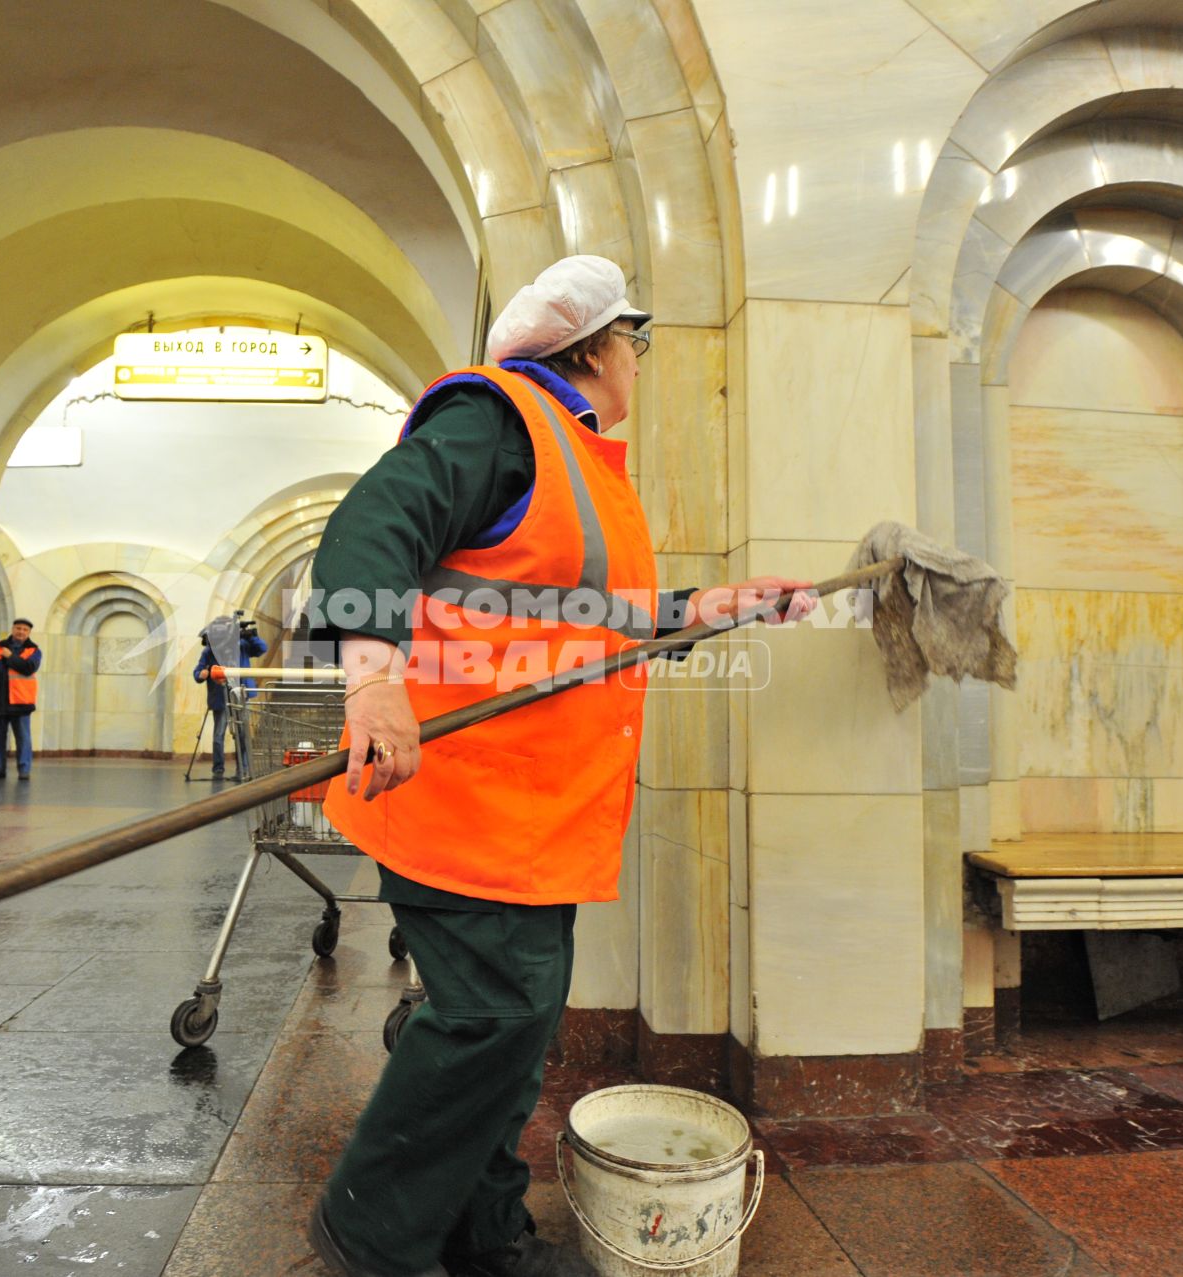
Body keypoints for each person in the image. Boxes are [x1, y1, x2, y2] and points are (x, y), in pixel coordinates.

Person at [306, 255, 816, 1277]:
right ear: (596, 345)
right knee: (494, 1015)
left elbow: (593, 625)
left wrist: (710, 609)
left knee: (512, 1027)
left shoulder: (583, 466)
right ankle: (370, 1233)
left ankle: (483, 1232)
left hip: (538, 807)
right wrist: (372, 683)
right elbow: (371, 526)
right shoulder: (498, 421)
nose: (641, 359)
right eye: (637, 338)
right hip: (465, 795)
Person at [190, 613, 268, 779]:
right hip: (219, 696)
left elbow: (262, 648)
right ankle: (218, 769)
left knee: (242, 734)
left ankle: (243, 769)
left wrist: (251, 635)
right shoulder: (209, 650)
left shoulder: (242, 645)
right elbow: (198, 671)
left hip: (241, 695)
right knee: (219, 735)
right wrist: (201, 674)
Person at [0, 617, 42, 781]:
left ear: (29, 632)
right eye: (18, 628)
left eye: (25, 629)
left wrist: (10, 657)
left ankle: (24, 770)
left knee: (23, 738)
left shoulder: (34, 650)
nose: (21, 632)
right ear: (12, 629)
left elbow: (28, 667)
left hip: (21, 702)